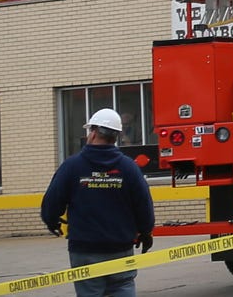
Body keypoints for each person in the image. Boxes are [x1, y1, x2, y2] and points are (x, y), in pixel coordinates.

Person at [40, 109, 155, 297]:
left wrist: (51, 220)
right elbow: (143, 204)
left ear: (93, 133)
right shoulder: (129, 168)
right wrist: (145, 231)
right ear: (116, 136)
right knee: (122, 288)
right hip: (120, 248)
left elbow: (52, 201)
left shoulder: (72, 166)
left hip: (85, 250)